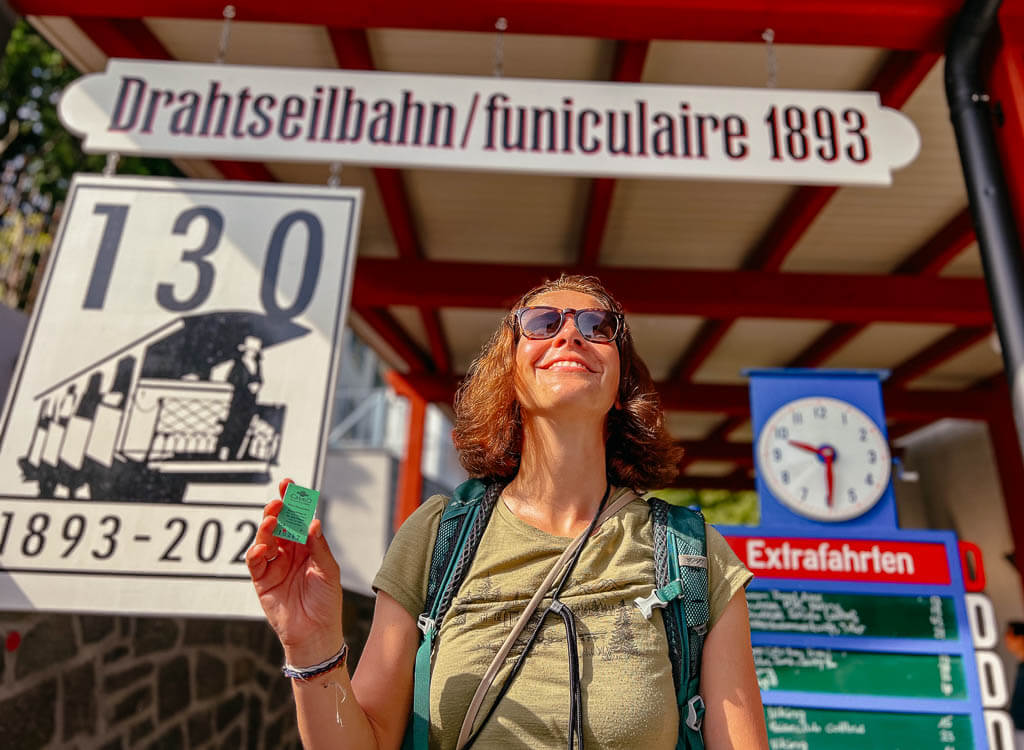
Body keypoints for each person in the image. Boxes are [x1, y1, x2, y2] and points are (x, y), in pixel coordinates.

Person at [247, 274, 768, 749]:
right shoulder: (435, 537)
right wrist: (311, 643)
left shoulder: (693, 553)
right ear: (511, 376)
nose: (570, 335)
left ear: (619, 385)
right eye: (542, 324)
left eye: (597, 325)